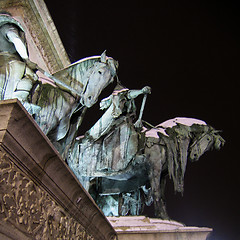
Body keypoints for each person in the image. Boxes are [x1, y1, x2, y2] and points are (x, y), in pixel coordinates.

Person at [0, 12, 39, 114]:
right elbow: (17, 40)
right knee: (30, 75)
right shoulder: (7, 28)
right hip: (10, 61)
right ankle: (20, 101)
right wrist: (27, 60)